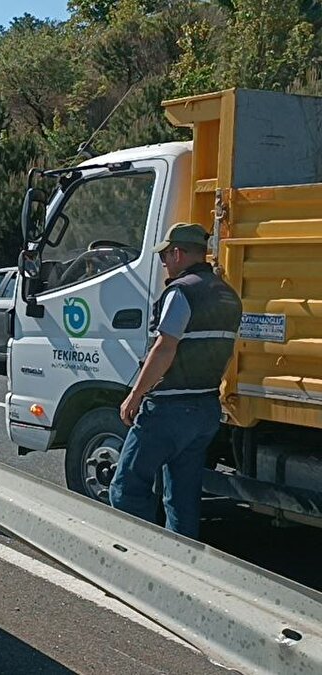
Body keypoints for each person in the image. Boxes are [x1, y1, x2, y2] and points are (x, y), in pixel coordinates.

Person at [110, 223, 241, 538]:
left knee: (127, 488)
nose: (164, 264)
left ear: (178, 253)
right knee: (182, 498)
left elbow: (165, 347)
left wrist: (135, 395)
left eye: (165, 256)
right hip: (205, 408)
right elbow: (225, 352)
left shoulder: (182, 292)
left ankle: (138, 555)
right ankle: (180, 561)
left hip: (169, 410)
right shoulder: (228, 294)